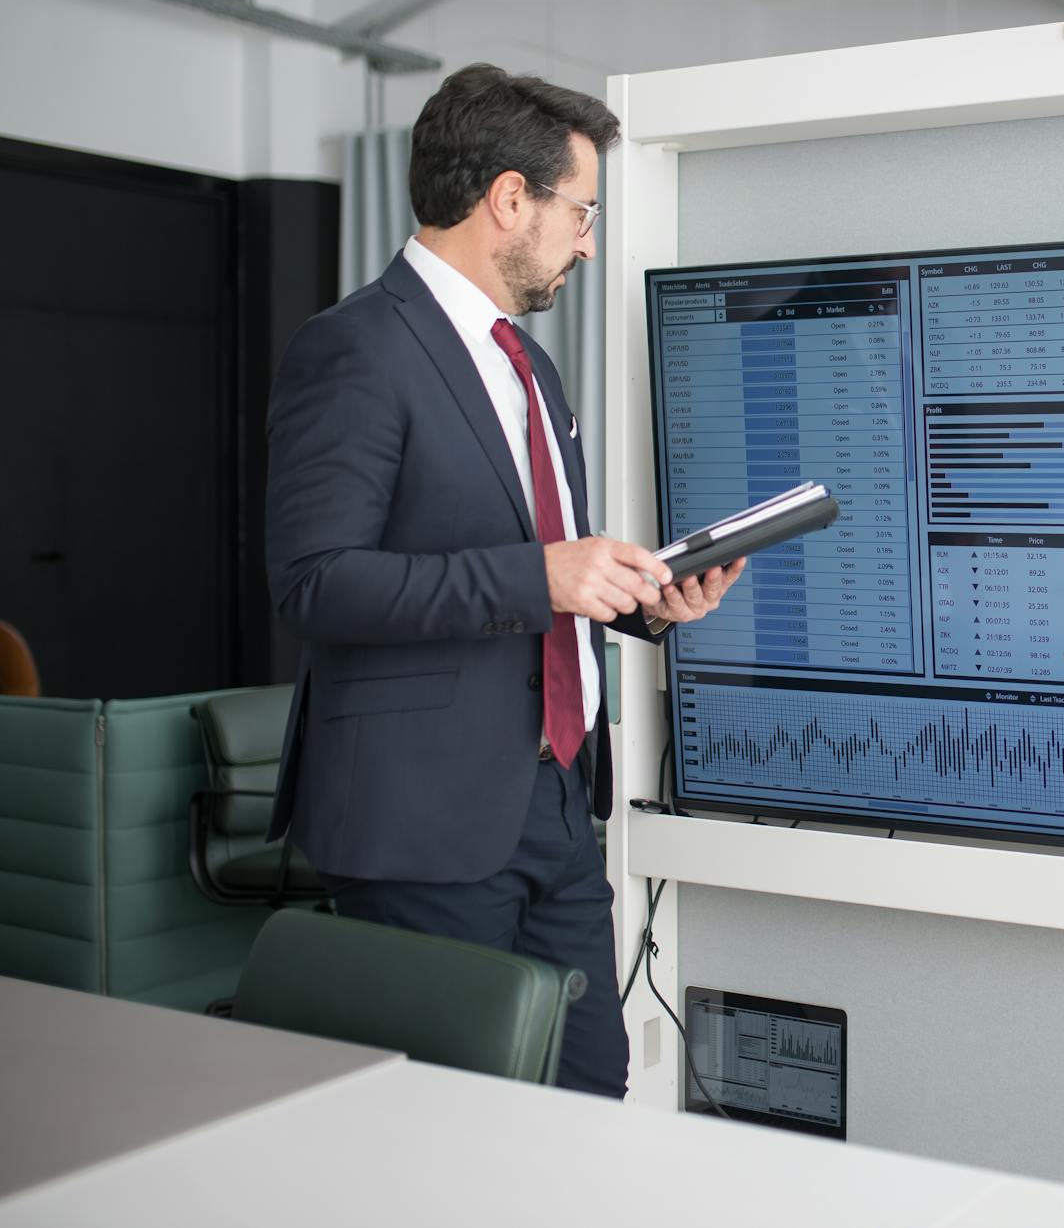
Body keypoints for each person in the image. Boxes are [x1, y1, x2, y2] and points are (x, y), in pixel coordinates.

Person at [264, 63, 741, 1098]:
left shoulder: (529, 365)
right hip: (423, 820)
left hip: (556, 803)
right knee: (463, 1139)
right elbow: (315, 583)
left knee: (589, 1101)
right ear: (509, 198)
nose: (588, 240)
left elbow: (543, 583)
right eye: (581, 211)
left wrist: (644, 603)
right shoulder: (353, 350)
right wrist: (541, 576)